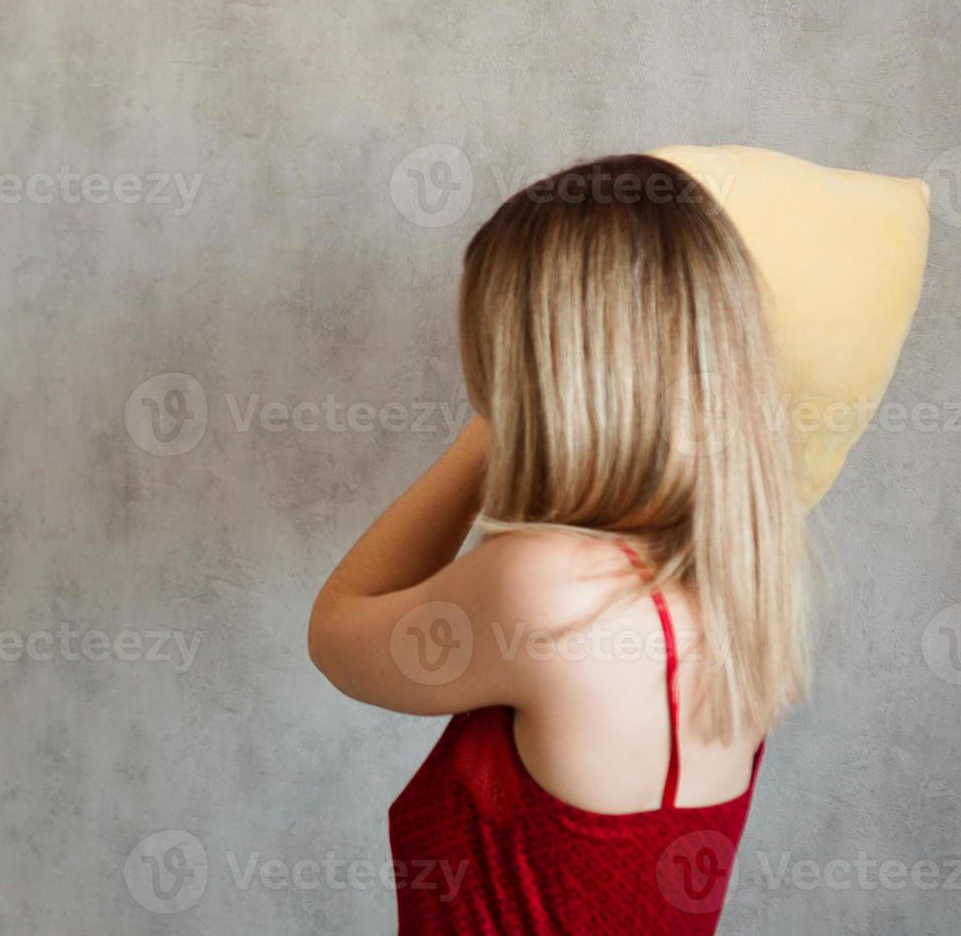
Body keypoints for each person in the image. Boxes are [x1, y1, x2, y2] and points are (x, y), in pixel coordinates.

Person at [308, 153, 814, 934]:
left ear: (534, 367)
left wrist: (495, 424)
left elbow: (338, 632)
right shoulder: (736, 590)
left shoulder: (551, 588)